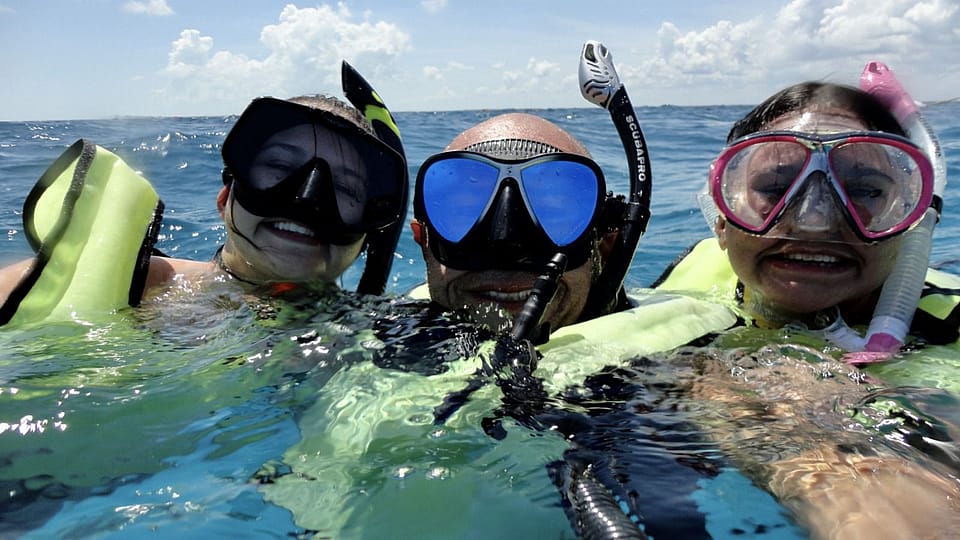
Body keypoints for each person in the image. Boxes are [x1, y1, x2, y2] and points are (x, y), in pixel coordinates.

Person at [0, 92, 408, 325]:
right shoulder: (142, 287)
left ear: (369, 235)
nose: (306, 200)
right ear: (224, 199)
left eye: (347, 189)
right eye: (280, 168)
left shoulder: (381, 331)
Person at [654, 80, 960, 351]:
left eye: (863, 190)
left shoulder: (950, 327)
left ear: (909, 220)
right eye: (775, 186)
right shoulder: (684, 279)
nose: (814, 222)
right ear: (722, 220)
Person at [408, 112, 628, 337]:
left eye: (550, 212)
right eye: (466, 211)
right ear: (423, 239)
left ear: (604, 247)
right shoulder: (383, 336)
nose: (506, 243)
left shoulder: (658, 365)